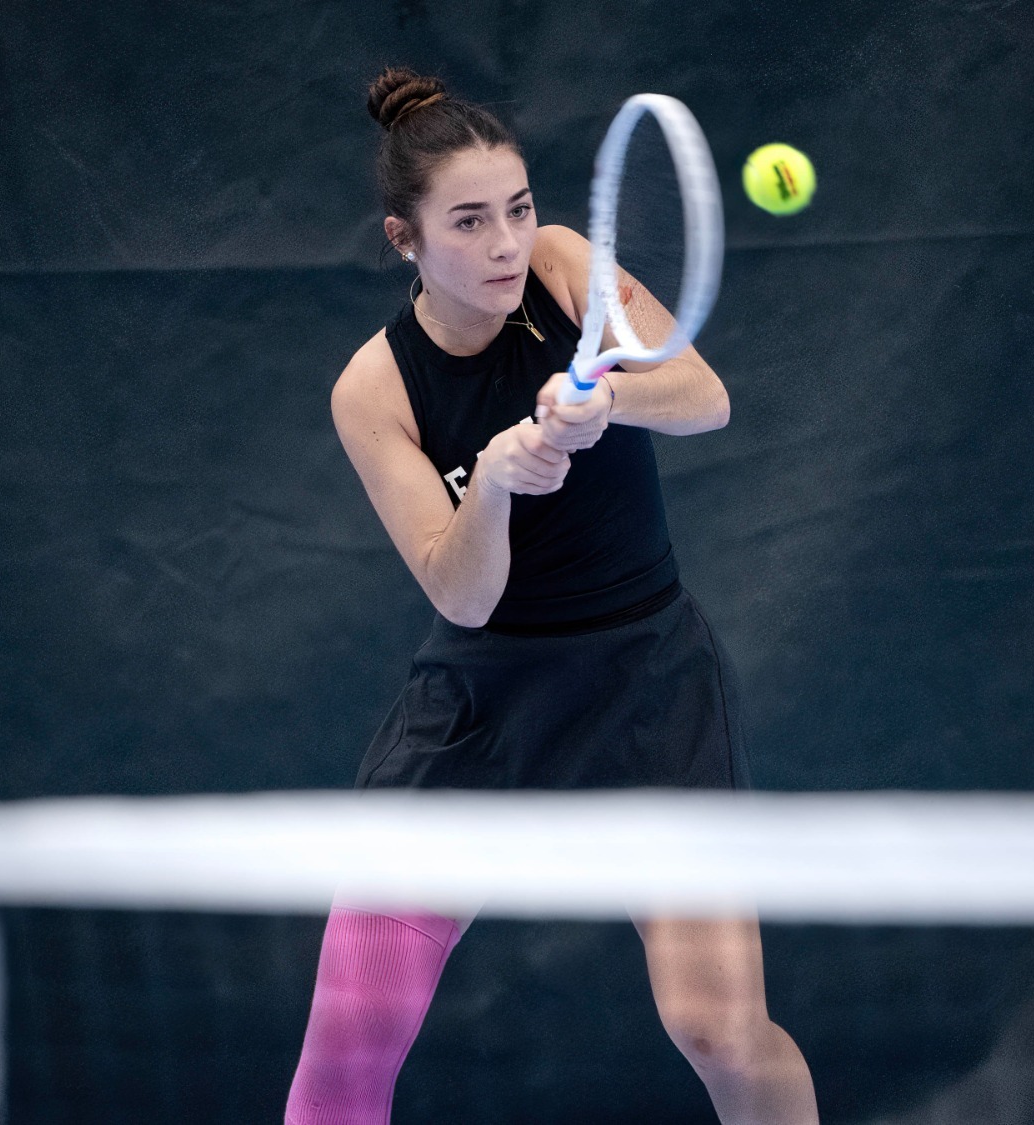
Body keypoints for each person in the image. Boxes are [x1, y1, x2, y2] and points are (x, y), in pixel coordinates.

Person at [285, 67, 819, 1125]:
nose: (504, 243)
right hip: (482, 706)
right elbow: (462, 596)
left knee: (720, 1029)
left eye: (518, 208)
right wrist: (493, 482)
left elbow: (703, 397)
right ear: (404, 239)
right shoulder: (373, 388)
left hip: (649, 686)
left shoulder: (565, 268)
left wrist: (608, 396)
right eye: (469, 221)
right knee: (350, 1046)